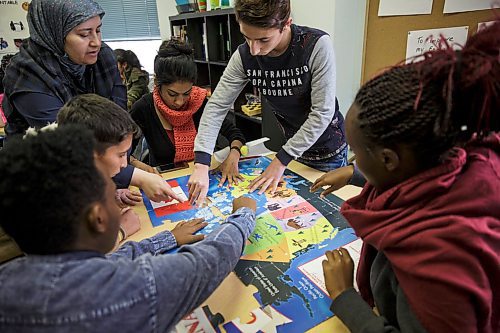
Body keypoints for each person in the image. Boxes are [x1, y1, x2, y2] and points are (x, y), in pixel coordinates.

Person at [319, 21, 500, 332]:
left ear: (389, 159)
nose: (353, 158)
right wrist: (356, 173)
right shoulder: (469, 151)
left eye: (357, 153)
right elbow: (423, 177)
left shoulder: (436, 264)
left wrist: (344, 296)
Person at [0, 124, 257, 332]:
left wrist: (165, 239)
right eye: (112, 191)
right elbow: (209, 262)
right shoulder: (128, 290)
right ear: (98, 219)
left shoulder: (10, 278)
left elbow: (101, 266)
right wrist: (243, 214)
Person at [187, 0, 346, 206]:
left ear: (287, 23)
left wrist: (281, 160)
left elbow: (322, 113)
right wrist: (201, 164)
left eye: (263, 39)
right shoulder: (244, 56)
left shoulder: (315, 45)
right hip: (291, 151)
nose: (254, 49)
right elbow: (217, 106)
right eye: (247, 37)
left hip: (327, 151)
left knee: (328, 214)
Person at [1, 0, 126, 138]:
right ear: (55, 33)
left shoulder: (102, 56)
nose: (96, 42)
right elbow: (66, 138)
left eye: (98, 30)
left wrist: (120, 152)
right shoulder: (26, 72)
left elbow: (121, 122)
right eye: (84, 34)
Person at [130, 39, 246, 186]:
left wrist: (234, 153)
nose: (180, 101)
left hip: (203, 175)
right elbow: (121, 154)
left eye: (186, 93)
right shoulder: (143, 108)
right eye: (172, 94)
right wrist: (139, 166)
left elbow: (235, 134)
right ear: (157, 82)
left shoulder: (199, 102)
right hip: (164, 182)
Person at [57, 94, 183, 204]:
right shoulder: (56, 193)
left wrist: (113, 194)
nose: (124, 164)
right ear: (89, 153)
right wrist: (123, 230)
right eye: (121, 155)